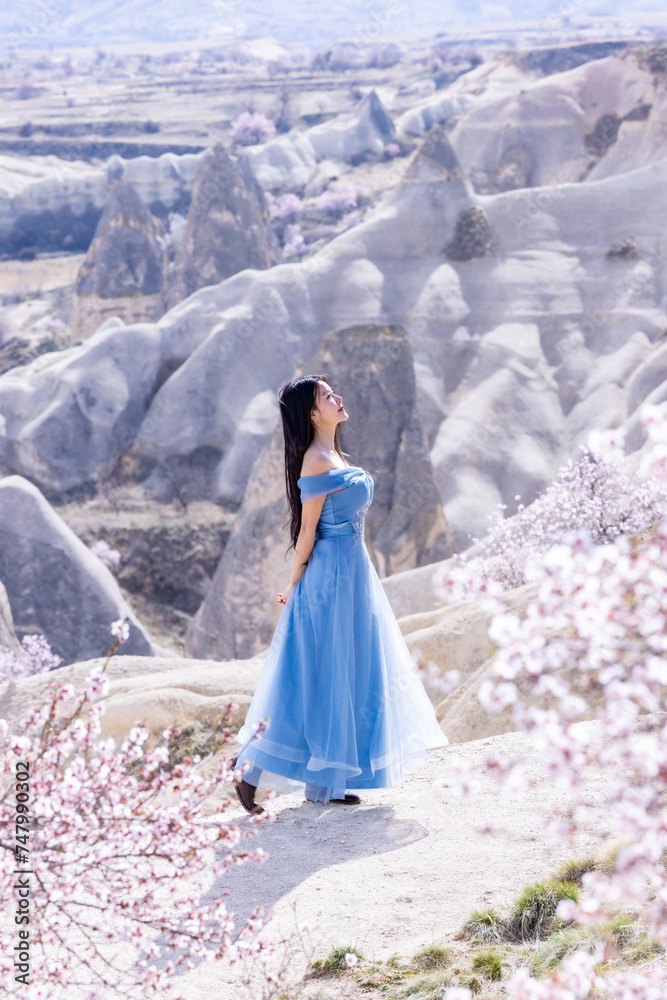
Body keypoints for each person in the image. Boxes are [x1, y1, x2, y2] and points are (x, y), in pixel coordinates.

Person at [230, 374, 448, 812]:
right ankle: (247, 767)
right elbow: (308, 529)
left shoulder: (332, 454)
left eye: (333, 392)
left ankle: (324, 781)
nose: (338, 398)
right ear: (313, 413)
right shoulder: (315, 459)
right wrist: (295, 582)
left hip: (354, 571)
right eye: (328, 396)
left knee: (346, 671)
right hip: (330, 577)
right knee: (319, 674)